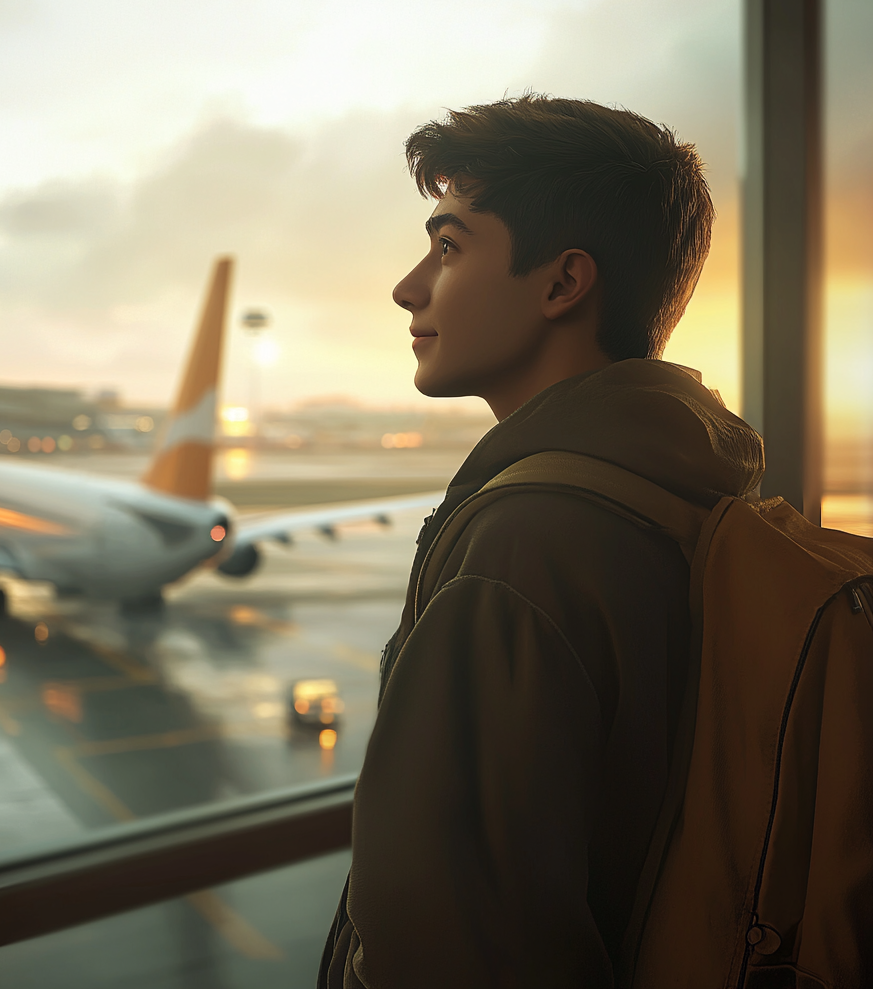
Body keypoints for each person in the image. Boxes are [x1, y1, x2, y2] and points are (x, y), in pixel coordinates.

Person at [318, 95, 763, 987]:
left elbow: (454, 950)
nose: (410, 287)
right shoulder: (682, 488)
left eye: (448, 247)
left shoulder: (524, 549)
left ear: (563, 284)